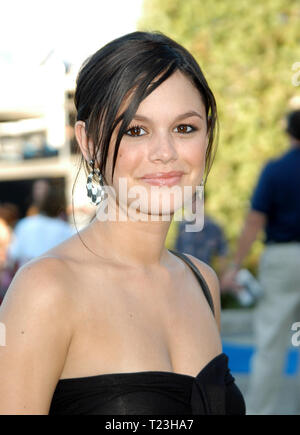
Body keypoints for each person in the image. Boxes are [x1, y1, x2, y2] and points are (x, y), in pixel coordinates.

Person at [0, 31, 245, 415]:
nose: (165, 153)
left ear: (207, 133)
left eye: (185, 128)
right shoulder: (46, 290)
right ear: (90, 143)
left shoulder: (202, 281)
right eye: (136, 130)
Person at [221, 109, 300, 414]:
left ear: (289, 133)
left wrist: (236, 264)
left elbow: (254, 221)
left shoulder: (275, 170)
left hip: (281, 257)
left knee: (270, 343)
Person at [7, 186, 75, 268]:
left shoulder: (25, 225)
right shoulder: (65, 228)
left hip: (29, 274)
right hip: (54, 273)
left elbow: (12, 256)